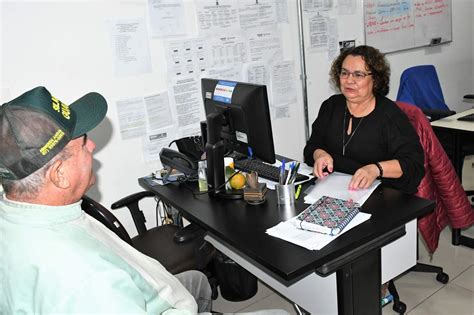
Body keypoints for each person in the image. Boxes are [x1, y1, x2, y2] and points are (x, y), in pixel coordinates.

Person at [0, 86, 288, 315]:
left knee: (196, 281)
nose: (92, 145)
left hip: (147, 288)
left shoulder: (21, 214)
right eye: (83, 141)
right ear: (60, 174)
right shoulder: (85, 282)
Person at [303, 45, 424, 194]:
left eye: (358, 75)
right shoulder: (331, 106)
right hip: (334, 190)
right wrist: (320, 154)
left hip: (382, 194)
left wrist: (376, 169)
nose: (349, 80)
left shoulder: (390, 116)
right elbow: (312, 146)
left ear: (375, 79)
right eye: (344, 73)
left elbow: (413, 165)